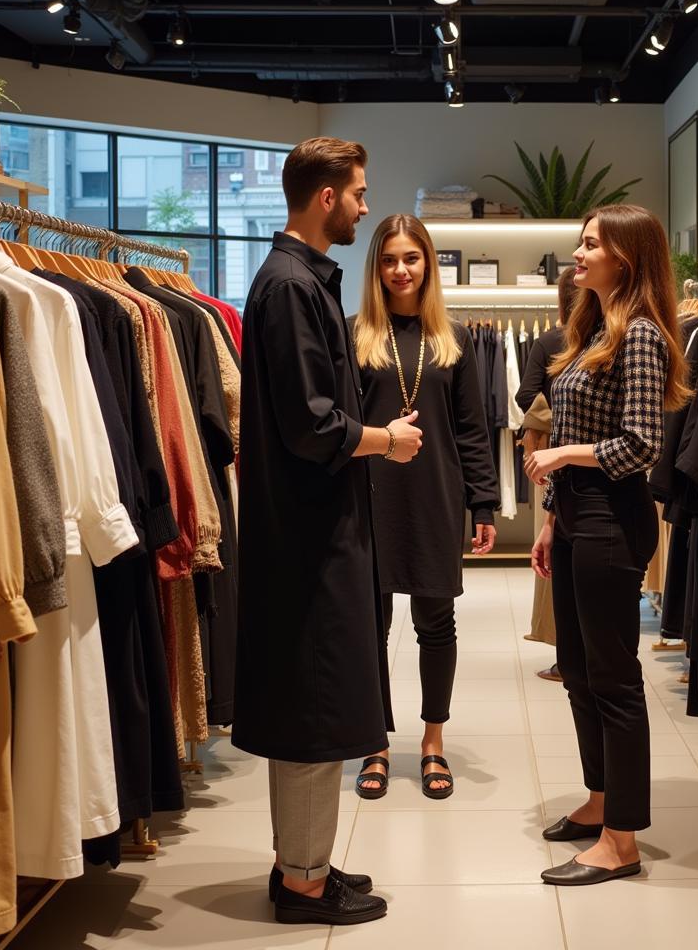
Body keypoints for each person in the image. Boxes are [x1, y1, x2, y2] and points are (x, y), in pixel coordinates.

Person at [233, 138, 423, 926]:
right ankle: (304, 884)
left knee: (315, 708)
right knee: (312, 713)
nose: (365, 205)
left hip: (315, 531)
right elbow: (312, 426)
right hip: (308, 542)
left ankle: (302, 866)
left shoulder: (300, 282)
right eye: (358, 193)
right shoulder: (288, 288)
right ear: (324, 200)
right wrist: (387, 439)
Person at [524, 204, 690, 887]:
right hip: (576, 519)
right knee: (580, 671)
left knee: (614, 679)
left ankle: (623, 841)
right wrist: (550, 519)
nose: (579, 254)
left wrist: (564, 453)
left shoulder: (642, 336)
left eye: (591, 244)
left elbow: (642, 443)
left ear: (626, 257)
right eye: (581, 242)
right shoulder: (592, 328)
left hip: (611, 522)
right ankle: (599, 804)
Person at [353, 214, 500, 800]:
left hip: (436, 494)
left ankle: (433, 741)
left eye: (411, 258)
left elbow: (472, 431)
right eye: (389, 259)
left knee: (436, 624)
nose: (400, 270)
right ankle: (374, 743)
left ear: (428, 264)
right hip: (368, 496)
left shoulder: (454, 340)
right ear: (376, 268)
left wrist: (484, 503)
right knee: (370, 626)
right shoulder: (352, 335)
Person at [515, 266, 578, 682]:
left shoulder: (549, 341)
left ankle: (564, 654)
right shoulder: (611, 339)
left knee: (554, 545)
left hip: (554, 453)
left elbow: (524, 395)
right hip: (598, 457)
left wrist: (555, 419)